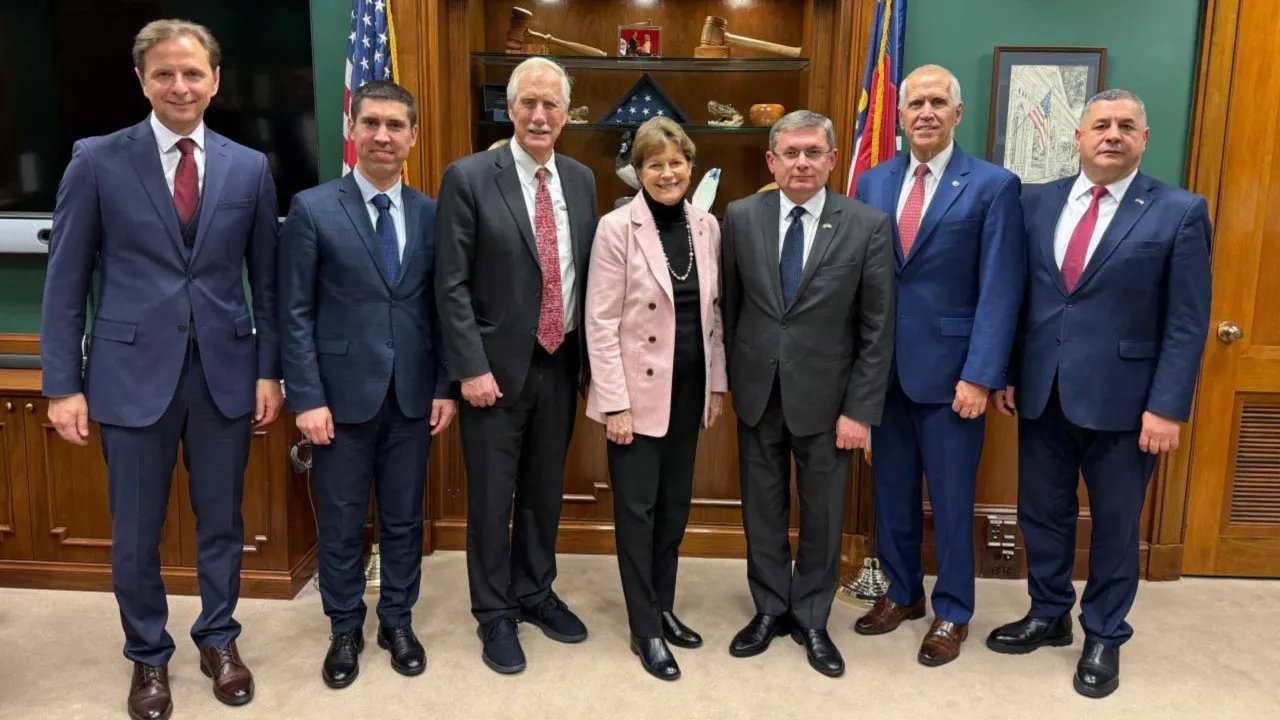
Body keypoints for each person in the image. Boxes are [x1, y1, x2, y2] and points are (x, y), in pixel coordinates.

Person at [40, 19, 281, 719]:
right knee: (136, 533)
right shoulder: (96, 161)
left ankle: (219, 639)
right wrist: (62, 385)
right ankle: (148, 655)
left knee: (222, 523)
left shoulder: (249, 167)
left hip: (224, 375)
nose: (181, 86)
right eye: (165, 74)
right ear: (142, 81)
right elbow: (65, 281)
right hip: (127, 377)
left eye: (193, 73)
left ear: (215, 80)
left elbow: (268, 284)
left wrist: (269, 372)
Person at [986, 89, 1212, 699]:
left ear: (1144, 138)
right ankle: (1049, 613)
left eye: (1126, 126)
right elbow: (1019, 296)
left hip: (1128, 403)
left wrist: (1167, 407)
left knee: (1114, 524)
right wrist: (1009, 371)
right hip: (1042, 393)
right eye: (1101, 125)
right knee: (1041, 513)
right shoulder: (1035, 201)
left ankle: (1106, 633)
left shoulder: (1179, 211)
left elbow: (1187, 321)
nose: (1112, 134)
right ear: (1079, 138)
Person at [277, 80, 456, 689]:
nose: (383, 135)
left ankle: (397, 622)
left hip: (412, 397)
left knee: (404, 519)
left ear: (413, 136)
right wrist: (306, 398)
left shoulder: (432, 213)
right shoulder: (312, 209)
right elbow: (294, 312)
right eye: (371, 123)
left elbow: (441, 310)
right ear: (352, 130)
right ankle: (345, 627)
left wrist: (444, 386)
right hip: (338, 401)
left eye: (395, 125)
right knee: (342, 520)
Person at [852, 65, 1025, 666]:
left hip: (955, 377)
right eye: (915, 103)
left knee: (951, 500)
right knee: (891, 493)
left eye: (937, 102)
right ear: (900, 116)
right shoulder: (873, 182)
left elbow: (1001, 288)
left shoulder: (993, 185)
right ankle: (902, 593)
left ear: (957, 113)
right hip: (884, 372)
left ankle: (953, 610)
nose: (925, 112)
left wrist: (981, 374)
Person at [435, 56, 599, 674]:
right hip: (493, 371)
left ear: (566, 114)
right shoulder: (470, 176)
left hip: (561, 360)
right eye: (528, 102)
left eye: (551, 104)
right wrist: (470, 367)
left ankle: (534, 591)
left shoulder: (581, 179)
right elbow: (451, 283)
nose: (538, 114)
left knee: (543, 491)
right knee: (491, 497)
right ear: (510, 108)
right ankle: (494, 612)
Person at [721, 110, 896, 677]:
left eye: (813, 152)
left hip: (829, 401)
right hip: (758, 392)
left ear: (833, 159)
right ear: (771, 161)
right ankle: (770, 607)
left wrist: (860, 410)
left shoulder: (866, 225)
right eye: (790, 153)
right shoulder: (740, 216)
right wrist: (733, 380)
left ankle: (813, 617)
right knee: (761, 509)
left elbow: (876, 328)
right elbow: (731, 307)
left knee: (822, 514)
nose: (801, 163)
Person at [583, 117, 727, 681]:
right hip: (635, 395)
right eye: (654, 164)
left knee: (673, 510)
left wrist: (717, 384)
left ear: (691, 166)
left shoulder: (707, 226)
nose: (667, 173)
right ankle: (644, 627)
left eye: (676, 162)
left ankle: (663, 606)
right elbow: (600, 322)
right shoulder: (616, 227)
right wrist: (613, 403)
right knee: (637, 513)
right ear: (638, 171)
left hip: (689, 390)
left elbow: (713, 314)